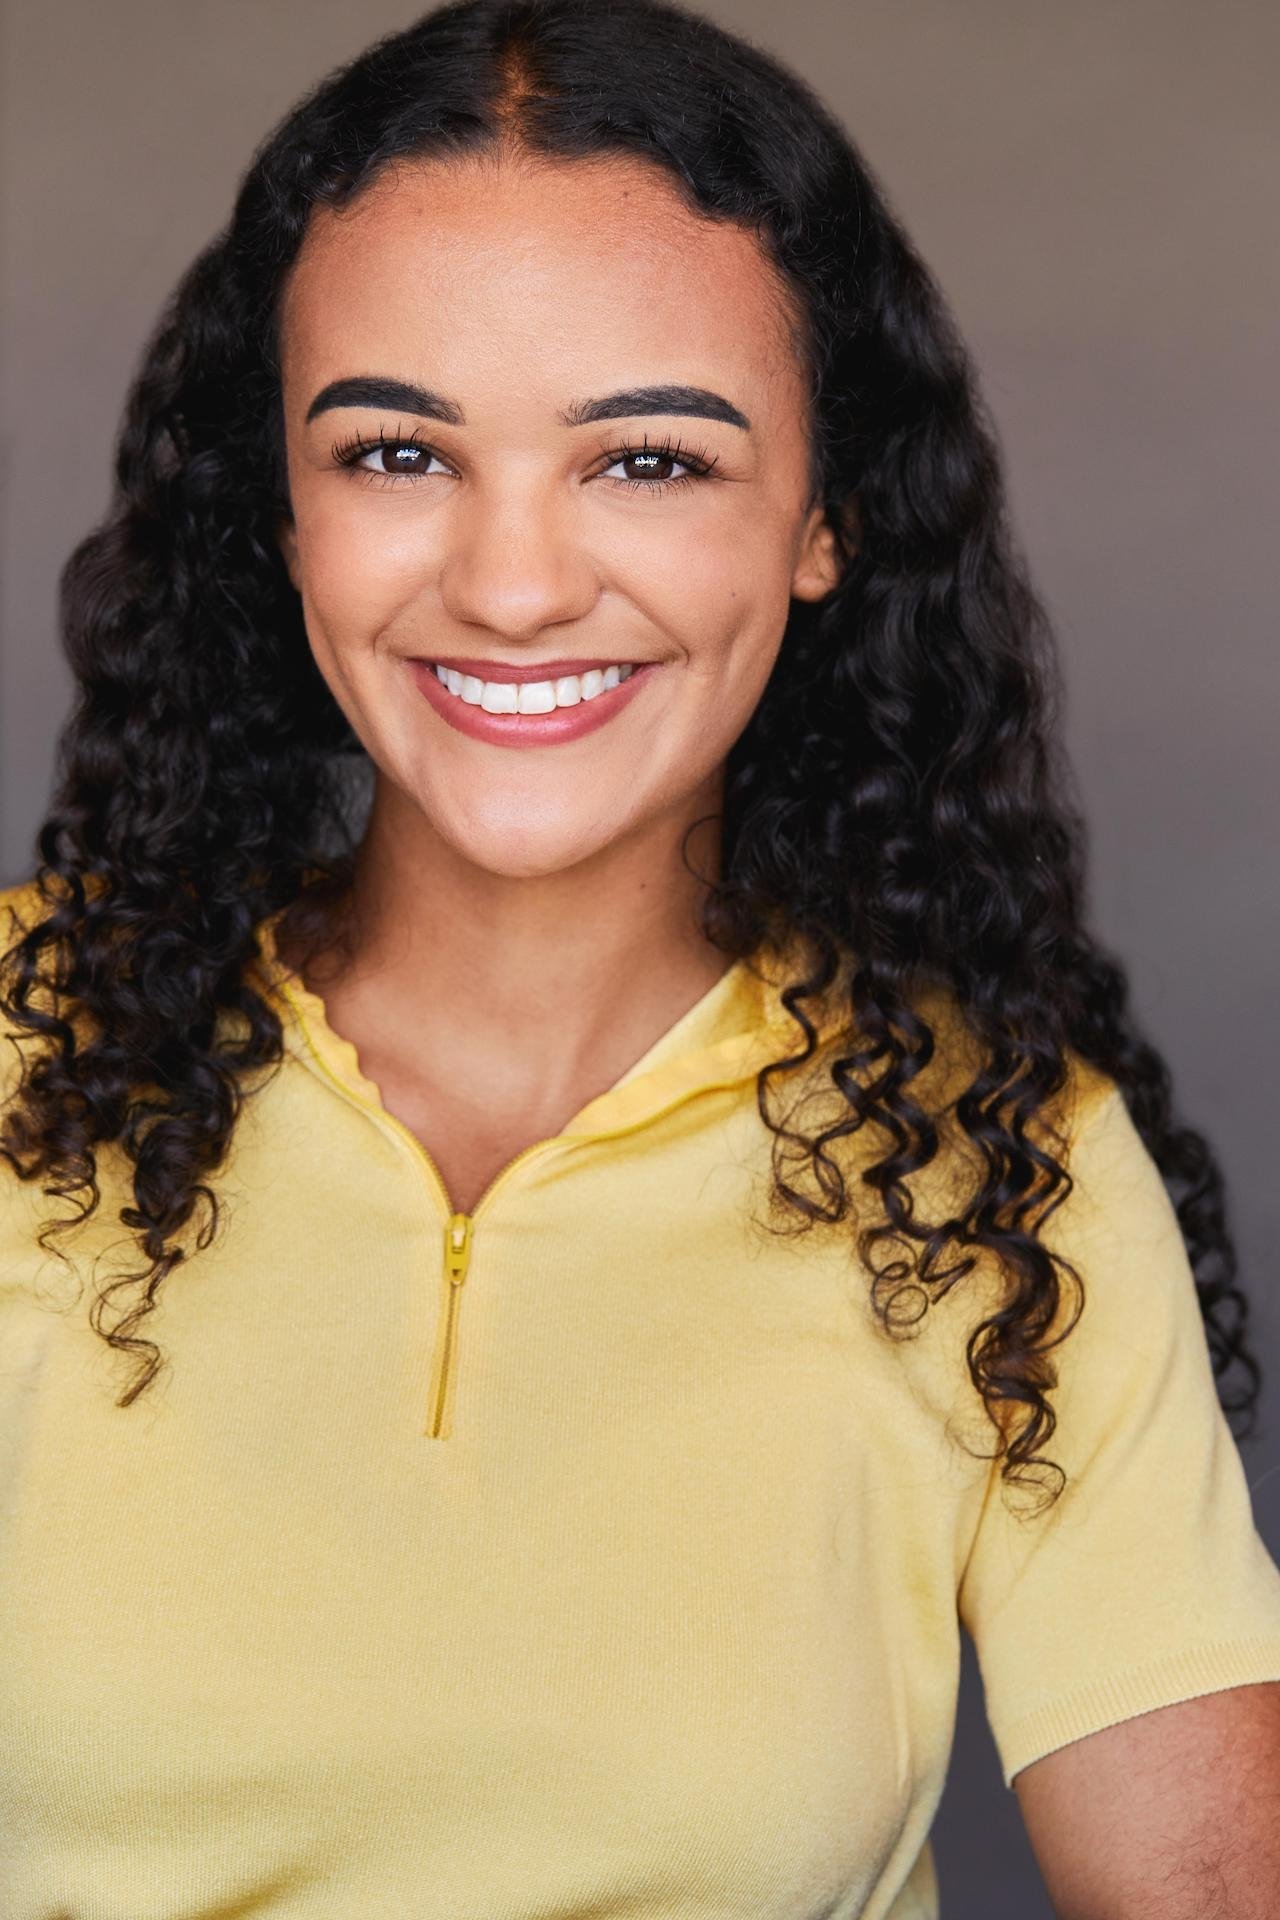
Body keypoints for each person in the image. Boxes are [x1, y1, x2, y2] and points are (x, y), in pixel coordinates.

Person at [2, 0, 1278, 1911]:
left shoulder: (994, 1151)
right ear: (281, 512)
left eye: (651, 464)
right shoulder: (18, 1053)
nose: (513, 584)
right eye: (395, 452)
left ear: (824, 522)